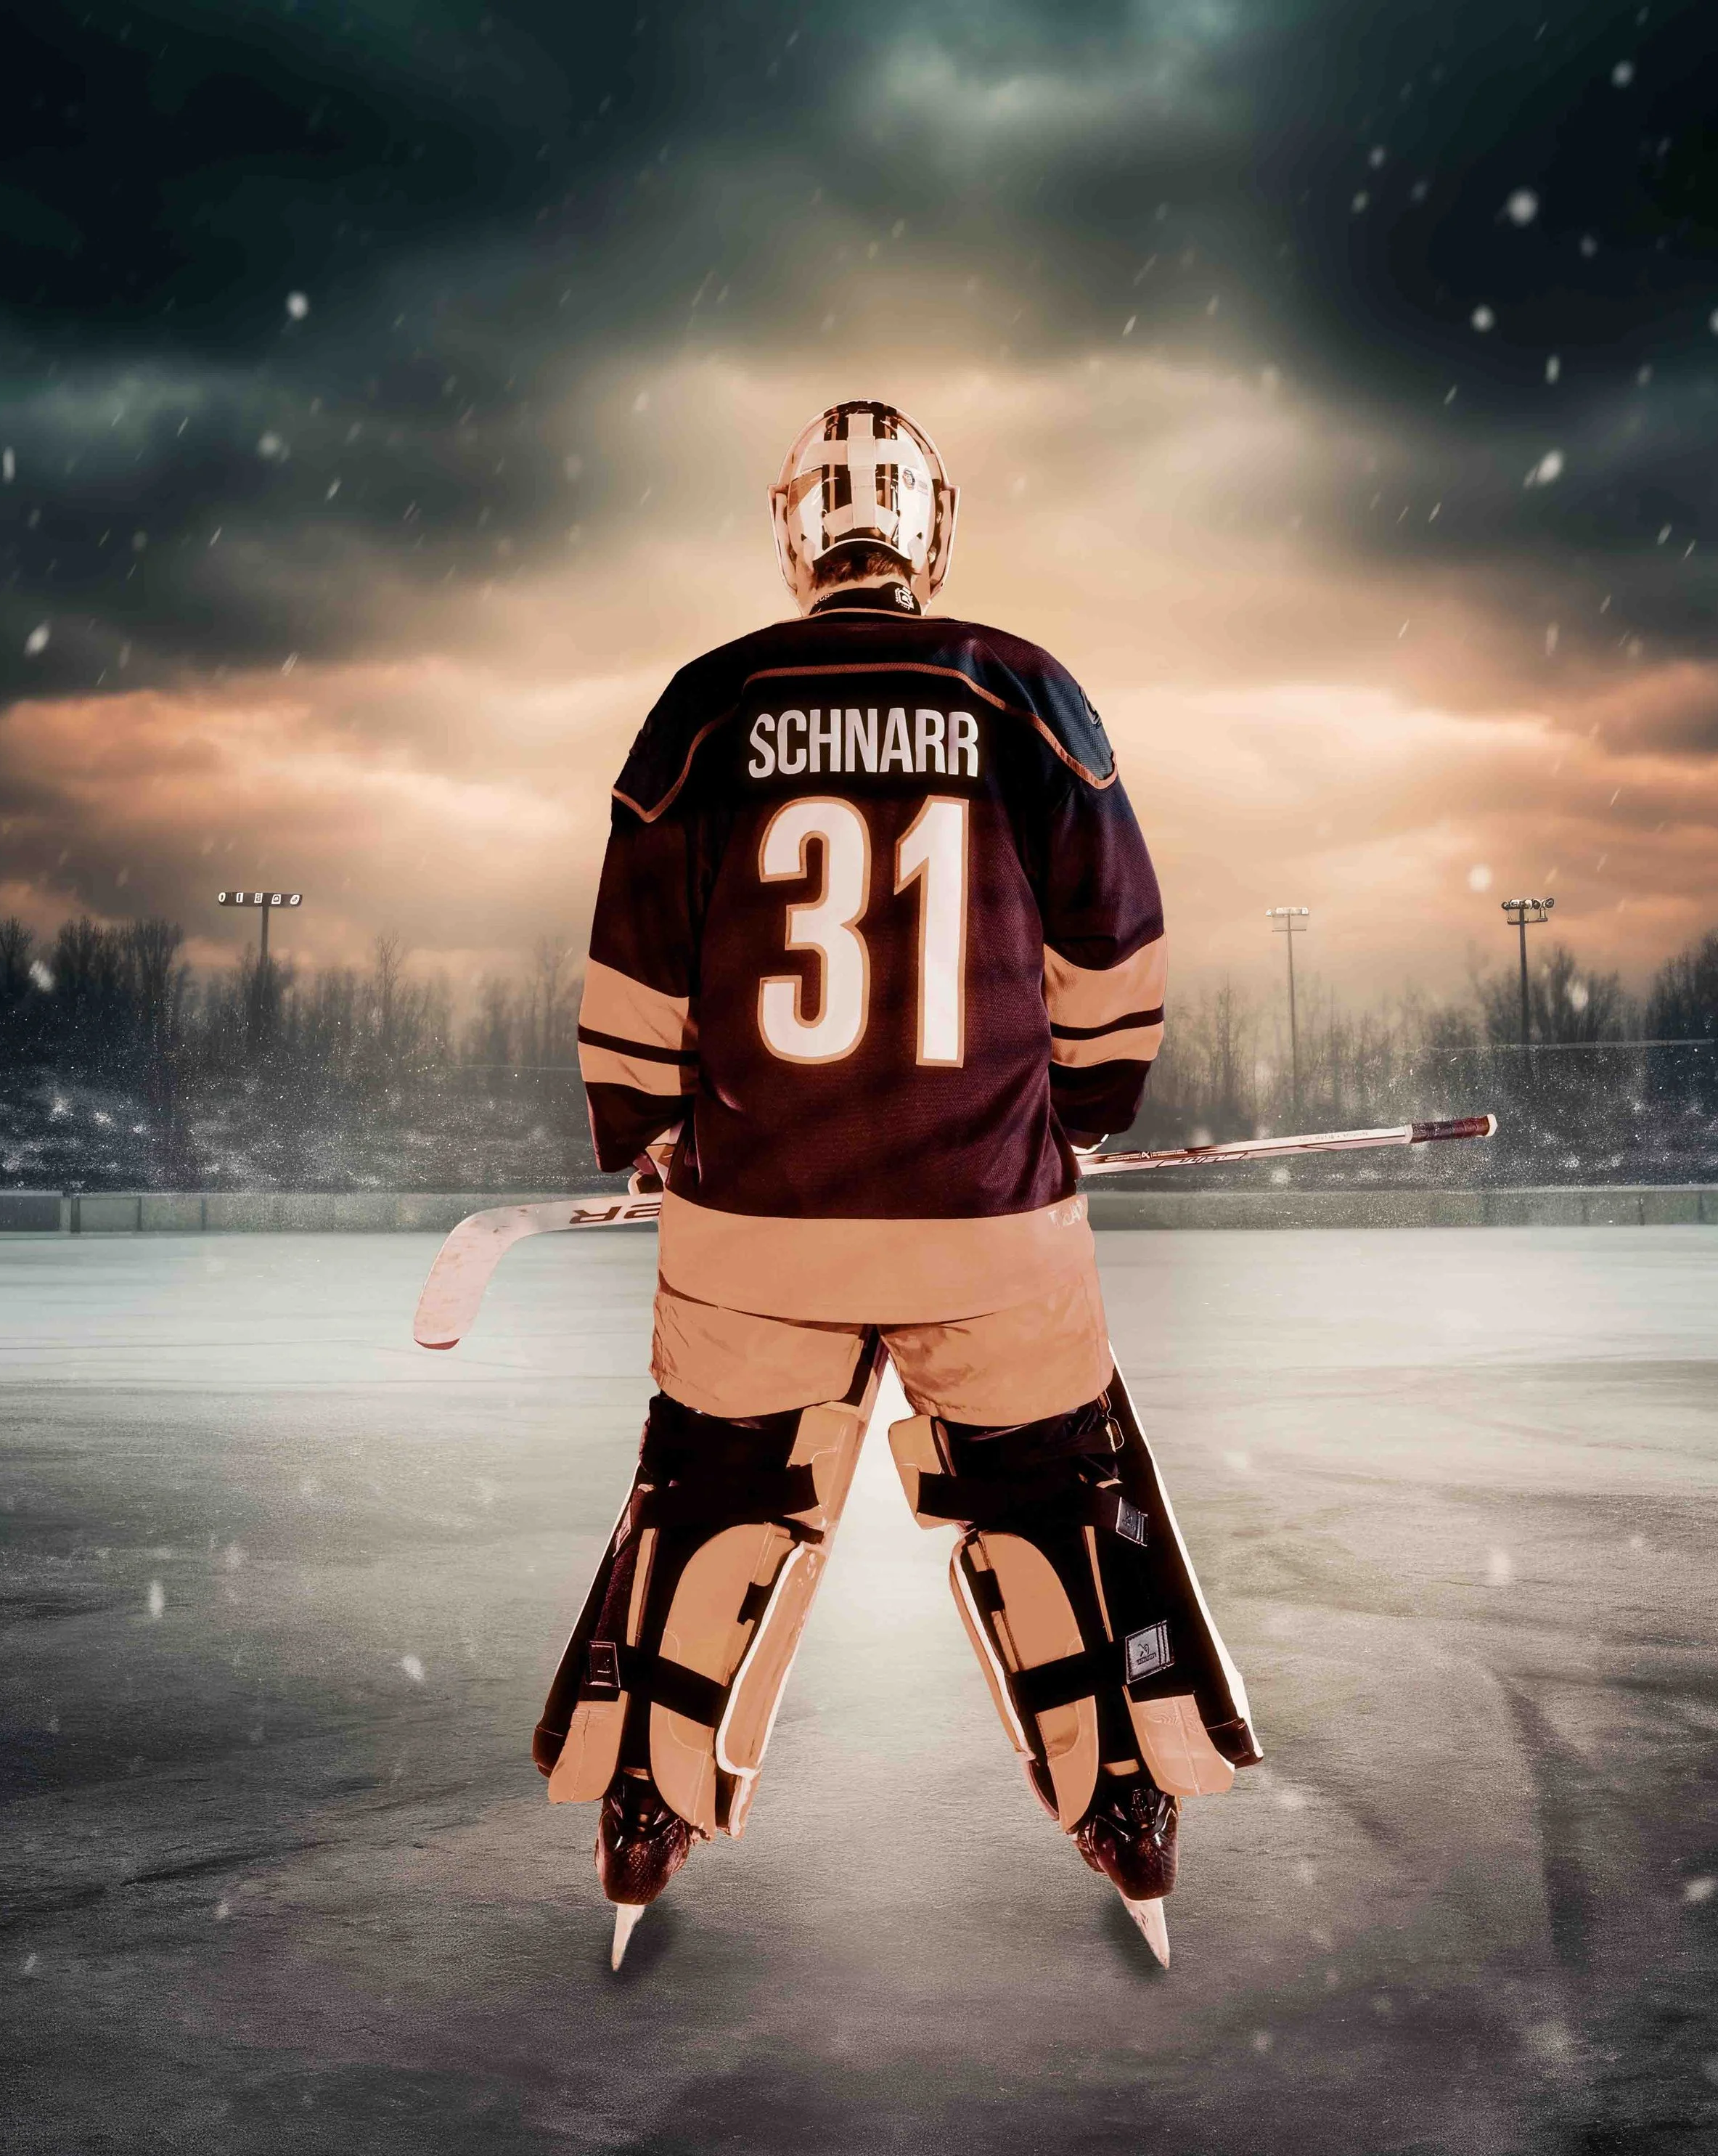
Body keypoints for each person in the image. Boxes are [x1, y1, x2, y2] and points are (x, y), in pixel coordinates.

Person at [534, 399, 1259, 1970]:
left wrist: (652, 1128)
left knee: (712, 1495)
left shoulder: (702, 707)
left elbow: (631, 969)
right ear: (931, 529)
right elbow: (1112, 953)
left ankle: (643, 1808)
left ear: (793, 529)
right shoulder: (1023, 691)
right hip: (985, 1229)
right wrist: (1078, 1110)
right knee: (1055, 1504)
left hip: (756, 1231)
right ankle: (1122, 1797)